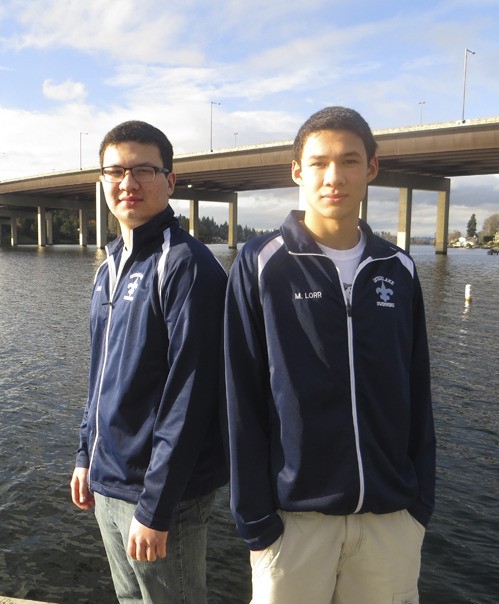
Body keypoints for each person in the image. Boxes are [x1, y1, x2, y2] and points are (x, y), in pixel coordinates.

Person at [224, 106, 436, 603]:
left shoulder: (398, 267)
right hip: (293, 524)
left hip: (391, 521)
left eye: (349, 161)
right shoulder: (262, 264)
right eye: (318, 163)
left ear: (372, 169)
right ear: (297, 171)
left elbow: (418, 391)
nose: (334, 176)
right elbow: (239, 399)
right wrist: (256, 521)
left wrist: (419, 504)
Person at [70, 120, 228, 603]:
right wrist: (84, 455)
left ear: (170, 181)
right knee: (130, 599)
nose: (128, 183)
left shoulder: (186, 265)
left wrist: (156, 507)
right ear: (102, 182)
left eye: (144, 170)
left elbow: (192, 395)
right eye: (115, 171)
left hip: (161, 494)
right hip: (109, 480)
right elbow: (101, 373)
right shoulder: (111, 265)